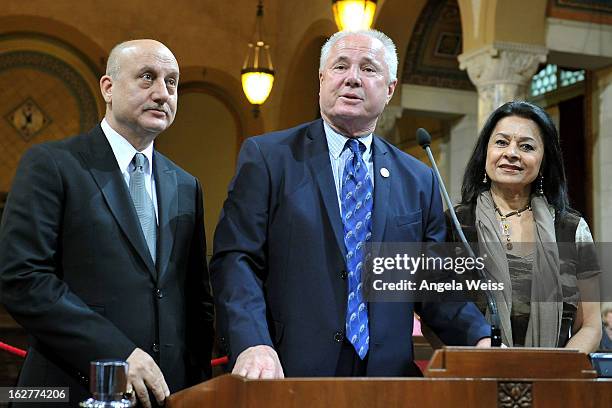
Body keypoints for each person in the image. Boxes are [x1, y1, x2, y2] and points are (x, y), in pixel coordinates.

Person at [210, 29, 491, 380]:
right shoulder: (269, 158)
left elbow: (430, 283)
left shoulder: (419, 179)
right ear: (322, 80)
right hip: (287, 371)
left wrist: (479, 340)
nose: (353, 78)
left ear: (389, 89)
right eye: (340, 66)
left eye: (369, 69)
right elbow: (236, 259)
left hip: (387, 380)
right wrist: (252, 342)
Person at [0, 40, 213, 407]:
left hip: (165, 395)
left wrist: (196, 390)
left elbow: (195, 302)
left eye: (172, 82)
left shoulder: (185, 184)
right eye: (148, 78)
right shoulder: (52, 165)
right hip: (70, 389)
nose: (162, 93)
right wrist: (117, 355)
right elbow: (23, 279)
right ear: (108, 88)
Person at [448, 101, 601, 352]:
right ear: (485, 152)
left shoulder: (572, 229)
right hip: (471, 378)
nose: (511, 153)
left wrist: (554, 373)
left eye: (526, 146)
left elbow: (591, 326)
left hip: (553, 381)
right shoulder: (453, 225)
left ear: (543, 161)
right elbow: (436, 315)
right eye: (501, 142)